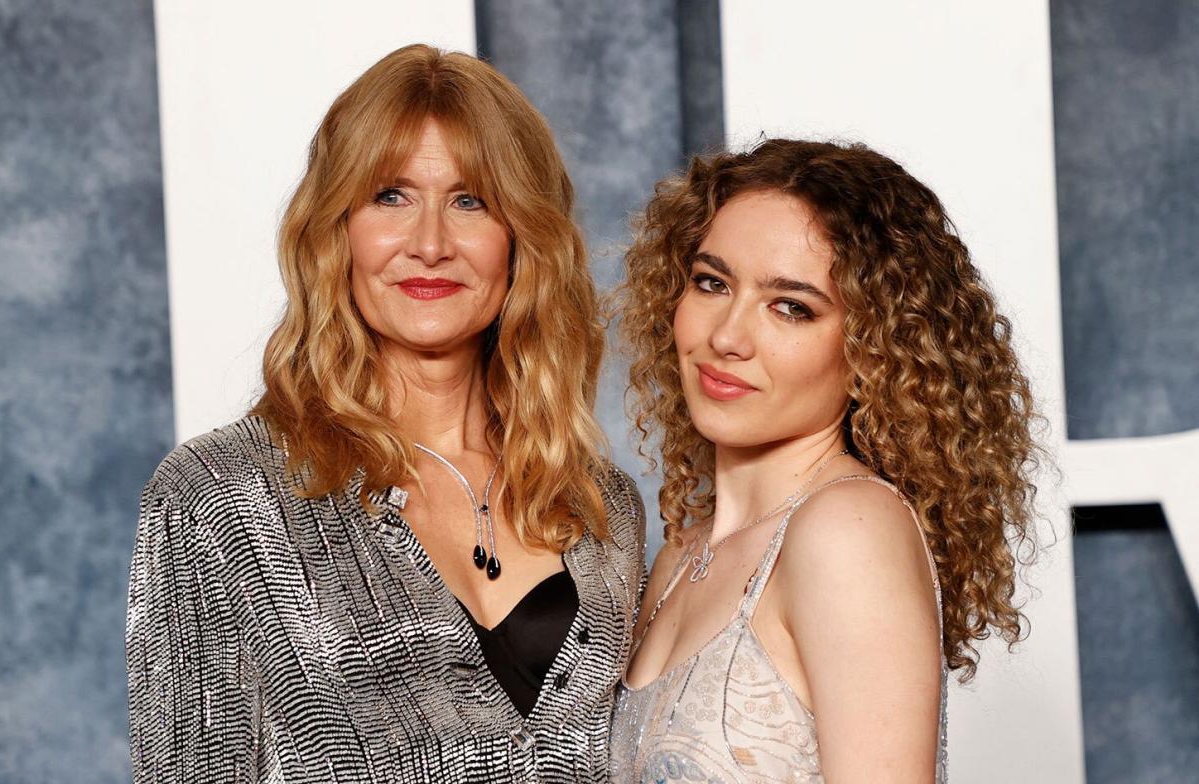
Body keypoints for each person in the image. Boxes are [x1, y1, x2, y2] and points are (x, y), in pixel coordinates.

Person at [126, 44, 645, 783]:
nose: (429, 244)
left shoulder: (600, 507)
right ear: (336, 230)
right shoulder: (218, 496)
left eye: (471, 201)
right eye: (390, 197)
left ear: (521, 239)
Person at [608, 139, 1042, 783]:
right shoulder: (677, 561)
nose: (726, 337)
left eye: (791, 307)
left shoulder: (846, 529)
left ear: (873, 348)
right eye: (711, 282)